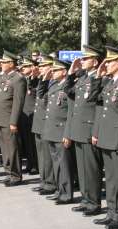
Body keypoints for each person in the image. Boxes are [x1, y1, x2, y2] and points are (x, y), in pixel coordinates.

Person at [92, 46, 118, 229]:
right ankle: (111, 212)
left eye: (109, 62)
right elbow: (98, 103)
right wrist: (99, 76)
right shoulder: (108, 82)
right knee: (109, 178)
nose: (106, 65)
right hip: (107, 135)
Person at [65, 45, 104, 216]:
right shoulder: (82, 78)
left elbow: (95, 96)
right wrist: (71, 73)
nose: (82, 61)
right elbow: (69, 92)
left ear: (95, 62)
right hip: (78, 129)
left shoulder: (99, 79)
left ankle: (94, 202)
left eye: (86, 59)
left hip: (89, 129)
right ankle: (85, 199)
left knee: (91, 169)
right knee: (81, 169)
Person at [0, 50, 27, 186]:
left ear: (11, 64)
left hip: (9, 120)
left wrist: (14, 121)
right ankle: (8, 173)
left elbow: (18, 102)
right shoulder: (3, 77)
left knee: (12, 148)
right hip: (0, 118)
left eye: (4, 62)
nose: (2, 65)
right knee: (5, 149)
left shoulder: (18, 79)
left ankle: (16, 175)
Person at [42, 58, 76, 204]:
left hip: (62, 131)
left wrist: (67, 134)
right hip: (51, 130)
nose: (53, 72)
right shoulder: (55, 85)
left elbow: (71, 113)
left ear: (64, 72)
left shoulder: (68, 87)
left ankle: (67, 194)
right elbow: (43, 100)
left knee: (64, 165)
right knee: (56, 164)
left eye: (56, 70)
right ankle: (59, 190)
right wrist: (43, 79)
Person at [31, 55, 57, 195]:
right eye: (40, 67)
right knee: (41, 156)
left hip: (46, 123)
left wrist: (44, 79)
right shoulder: (43, 81)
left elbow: (42, 96)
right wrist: (40, 78)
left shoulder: (53, 82)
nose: (40, 69)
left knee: (47, 157)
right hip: (39, 122)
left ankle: (50, 183)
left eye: (43, 66)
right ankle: (44, 180)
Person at [19, 57, 39, 175]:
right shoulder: (24, 79)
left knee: (33, 143)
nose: (23, 69)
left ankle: (35, 165)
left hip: (33, 115)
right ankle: (30, 163)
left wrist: (33, 75)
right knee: (27, 142)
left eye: (26, 66)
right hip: (24, 114)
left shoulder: (36, 79)